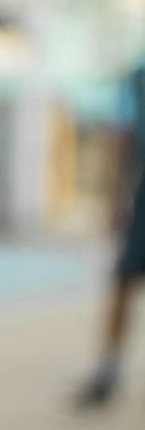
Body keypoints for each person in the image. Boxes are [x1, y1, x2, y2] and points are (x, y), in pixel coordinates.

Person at [75, 57, 145, 408]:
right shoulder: (136, 77)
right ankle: (108, 369)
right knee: (123, 280)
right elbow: (122, 138)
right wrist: (115, 199)